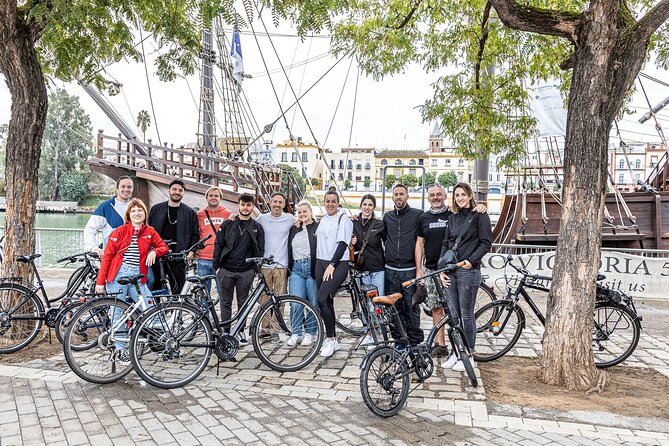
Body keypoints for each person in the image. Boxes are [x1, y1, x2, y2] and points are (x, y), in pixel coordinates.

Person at [94, 198, 169, 364]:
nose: (137, 213)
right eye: (134, 210)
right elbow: (107, 257)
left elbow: (164, 247)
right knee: (117, 312)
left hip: (137, 277)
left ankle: (161, 340)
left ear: (144, 213)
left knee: (149, 306)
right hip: (117, 276)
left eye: (140, 210)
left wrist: (154, 252)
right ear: (129, 214)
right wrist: (100, 282)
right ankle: (121, 350)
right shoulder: (120, 231)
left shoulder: (149, 231)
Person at [439, 182, 492, 371]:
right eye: (456, 195)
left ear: (470, 196)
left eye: (463, 194)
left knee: (466, 315)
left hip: (468, 271)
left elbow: (486, 243)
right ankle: (456, 352)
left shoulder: (479, 215)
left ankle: (468, 354)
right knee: (453, 315)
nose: (459, 198)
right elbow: (446, 243)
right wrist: (442, 269)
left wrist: (471, 260)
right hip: (451, 270)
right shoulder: (452, 219)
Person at [213, 193, 265, 346]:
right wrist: (217, 266)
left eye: (249, 205)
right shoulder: (228, 224)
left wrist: (255, 269)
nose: (245, 208)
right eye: (243, 204)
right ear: (239, 205)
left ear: (252, 207)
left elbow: (261, 249)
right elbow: (218, 244)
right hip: (226, 269)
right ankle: (226, 331)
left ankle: (240, 330)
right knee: (225, 303)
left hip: (246, 271)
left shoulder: (257, 227)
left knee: (243, 302)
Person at [383, 183, 424, 349]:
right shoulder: (387, 217)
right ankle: (399, 341)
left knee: (411, 308)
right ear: (392, 197)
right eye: (396, 194)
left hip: (409, 271)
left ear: (407, 196)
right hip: (391, 270)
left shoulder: (418, 215)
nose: (399, 197)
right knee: (394, 308)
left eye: (402, 194)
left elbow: (435, 221)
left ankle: (414, 342)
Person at [315, 190, 353, 357]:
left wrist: (332, 264)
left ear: (338, 203)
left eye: (333, 201)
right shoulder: (323, 219)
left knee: (321, 299)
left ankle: (330, 338)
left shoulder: (343, 219)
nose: (330, 204)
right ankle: (333, 339)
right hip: (320, 262)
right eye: (327, 201)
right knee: (326, 301)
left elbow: (343, 243)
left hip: (337, 264)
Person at [415, 184, 452, 357]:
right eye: (432, 195)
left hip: (450, 269)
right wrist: (419, 270)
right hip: (431, 270)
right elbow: (419, 244)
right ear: (428, 198)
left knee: (454, 310)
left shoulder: (453, 215)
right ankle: (441, 345)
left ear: (444, 196)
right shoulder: (424, 218)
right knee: (436, 308)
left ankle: (463, 348)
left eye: (439, 194)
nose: (436, 197)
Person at [148, 179, 199, 292]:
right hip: (158, 254)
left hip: (179, 255)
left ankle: (176, 309)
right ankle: (158, 310)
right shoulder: (156, 209)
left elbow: (195, 234)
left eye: (180, 190)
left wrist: (191, 251)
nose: (177, 192)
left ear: (183, 193)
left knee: (178, 288)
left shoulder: (190, 212)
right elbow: (148, 231)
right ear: (169, 191)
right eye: (174, 189)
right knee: (156, 287)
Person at [256, 192, 296, 328]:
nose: (277, 205)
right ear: (270, 203)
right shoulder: (261, 218)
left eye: (280, 202)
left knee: (280, 298)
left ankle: (276, 327)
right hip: (265, 265)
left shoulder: (290, 219)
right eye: (275, 202)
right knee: (264, 298)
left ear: (284, 204)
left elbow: (307, 220)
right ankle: (264, 327)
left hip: (281, 264)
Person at [351, 194, 386, 346]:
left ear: (374, 207)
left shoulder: (379, 224)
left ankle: (377, 332)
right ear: (360, 206)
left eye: (370, 205)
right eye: (364, 204)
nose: (367, 207)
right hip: (361, 269)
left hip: (377, 268)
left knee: (377, 302)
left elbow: (388, 241)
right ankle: (368, 331)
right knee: (365, 302)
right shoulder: (354, 222)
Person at [286, 200, 319, 347]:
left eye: (305, 211)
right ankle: (296, 333)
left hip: (312, 267)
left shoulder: (318, 227)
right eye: (299, 212)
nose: (302, 214)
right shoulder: (294, 228)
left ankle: (310, 333)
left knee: (313, 303)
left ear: (311, 212)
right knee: (296, 303)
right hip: (297, 268)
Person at [83, 176, 134, 255]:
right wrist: (93, 247)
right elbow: (90, 229)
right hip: (112, 256)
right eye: (123, 186)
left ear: (132, 189)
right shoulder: (106, 207)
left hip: (134, 257)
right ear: (117, 189)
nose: (126, 189)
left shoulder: (137, 207)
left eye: (129, 187)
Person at [196, 186, 231, 297]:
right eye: (210, 195)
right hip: (203, 259)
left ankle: (224, 314)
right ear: (206, 197)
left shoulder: (228, 214)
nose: (213, 197)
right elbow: (195, 234)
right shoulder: (199, 215)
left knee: (223, 293)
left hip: (222, 260)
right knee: (204, 294)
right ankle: (204, 314)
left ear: (220, 198)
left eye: (216, 195)